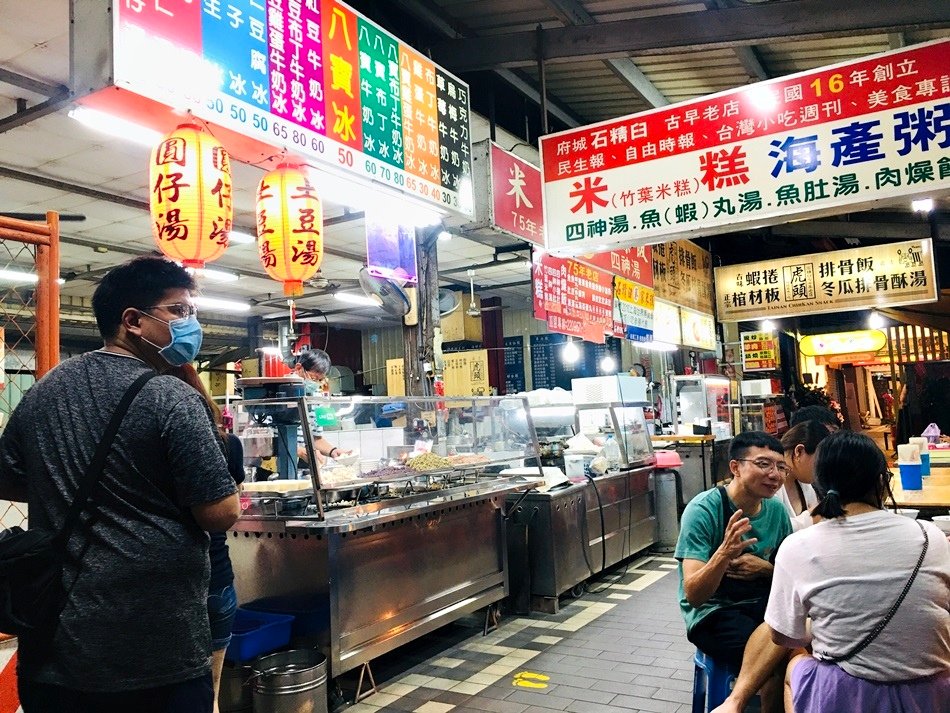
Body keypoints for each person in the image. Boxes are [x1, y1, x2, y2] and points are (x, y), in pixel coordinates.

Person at [0, 256, 240, 713]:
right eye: (179, 311)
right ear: (133, 321)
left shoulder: (45, 390)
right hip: (152, 648)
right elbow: (220, 512)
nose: (192, 324)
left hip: (54, 640)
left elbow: (8, 478)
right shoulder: (171, 397)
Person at [765, 431, 950, 712]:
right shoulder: (931, 535)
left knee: (795, 665)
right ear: (881, 481)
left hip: (847, 694)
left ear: (820, 484)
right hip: (933, 693)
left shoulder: (797, 546)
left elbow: (783, 636)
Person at [675, 431, 793, 713]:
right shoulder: (703, 510)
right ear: (735, 467)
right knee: (779, 663)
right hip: (713, 613)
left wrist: (766, 569)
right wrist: (724, 553)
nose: (774, 475)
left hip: (759, 605)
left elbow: (789, 578)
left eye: (780, 466)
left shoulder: (776, 511)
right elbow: (694, 596)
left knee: (804, 648)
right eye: (763, 464)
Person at [169, 364, 244, 713]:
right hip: (214, 573)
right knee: (208, 694)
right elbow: (229, 510)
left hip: (161, 585)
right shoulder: (227, 444)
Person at [291, 350, 353, 463]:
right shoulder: (277, 391)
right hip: (276, 464)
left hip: (303, 464)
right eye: (314, 378)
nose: (315, 383)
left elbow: (316, 438)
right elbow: (264, 441)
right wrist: (298, 450)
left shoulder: (316, 397)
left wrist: (333, 451)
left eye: (320, 380)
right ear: (299, 368)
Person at [774, 421, 830, 532]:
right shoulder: (769, 482)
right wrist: (814, 515)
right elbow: (774, 529)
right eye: (818, 462)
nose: (820, 470)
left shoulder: (805, 484)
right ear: (799, 451)